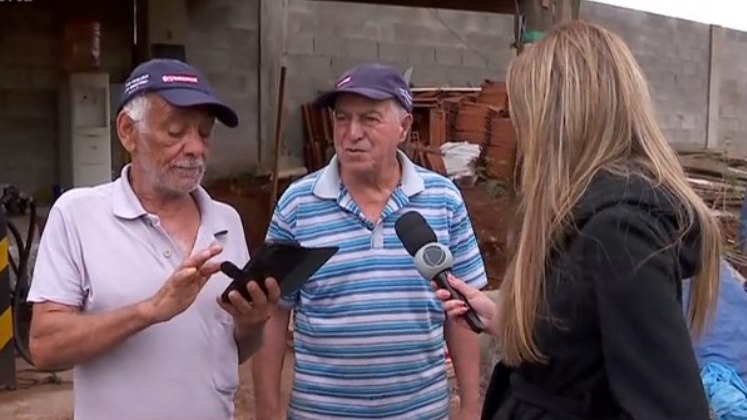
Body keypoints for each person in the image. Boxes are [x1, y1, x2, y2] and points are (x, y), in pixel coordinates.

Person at [435, 21, 722, 420]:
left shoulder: (620, 233)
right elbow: (590, 352)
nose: (518, 128)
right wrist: (509, 322)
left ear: (558, 118)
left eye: (523, 111)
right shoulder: (583, 215)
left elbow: (672, 408)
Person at [26, 58, 281, 420]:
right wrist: (150, 310)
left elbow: (229, 350)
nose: (195, 148)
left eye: (204, 133)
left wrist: (252, 323)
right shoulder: (78, 215)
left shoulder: (226, 222)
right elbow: (44, 346)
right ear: (128, 132)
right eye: (176, 132)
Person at [251, 63, 488, 419]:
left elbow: (462, 311)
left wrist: (471, 407)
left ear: (404, 127)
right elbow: (273, 313)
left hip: (420, 412)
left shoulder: (443, 199)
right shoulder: (298, 204)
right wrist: (268, 412)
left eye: (370, 119)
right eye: (342, 119)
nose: (352, 133)